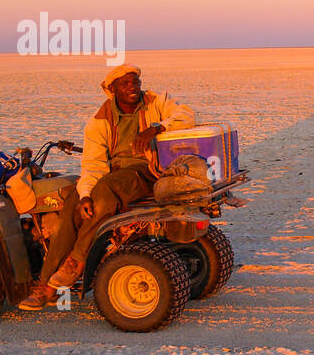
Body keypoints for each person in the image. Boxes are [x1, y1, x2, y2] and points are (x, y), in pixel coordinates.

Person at [19, 65, 194, 310]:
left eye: (135, 82)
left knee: (106, 190)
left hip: (148, 170)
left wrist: (155, 129)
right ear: (112, 90)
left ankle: (77, 260)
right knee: (74, 205)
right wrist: (85, 195)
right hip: (114, 174)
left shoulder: (156, 101)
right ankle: (46, 286)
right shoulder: (99, 121)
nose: (132, 87)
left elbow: (187, 116)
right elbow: (93, 164)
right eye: (125, 84)